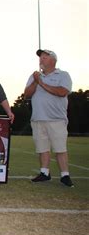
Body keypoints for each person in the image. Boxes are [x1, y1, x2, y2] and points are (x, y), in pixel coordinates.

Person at [24, 49, 74, 187]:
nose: (41, 59)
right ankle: (44, 173)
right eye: (41, 57)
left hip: (56, 118)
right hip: (38, 118)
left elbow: (62, 92)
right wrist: (35, 81)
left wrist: (42, 83)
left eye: (45, 57)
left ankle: (65, 175)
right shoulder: (35, 76)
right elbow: (27, 94)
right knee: (42, 148)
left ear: (53, 60)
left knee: (60, 148)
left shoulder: (63, 75)